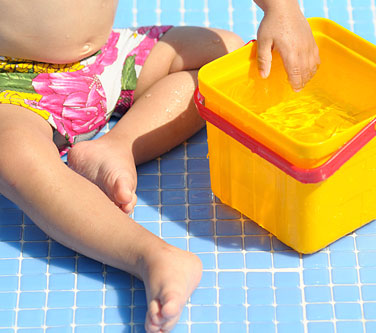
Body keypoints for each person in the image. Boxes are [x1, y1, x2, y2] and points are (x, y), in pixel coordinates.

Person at [0, 0, 319, 331]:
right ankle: (150, 255)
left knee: (226, 57)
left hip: (110, 57)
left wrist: (282, 10)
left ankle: (119, 145)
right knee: (12, 153)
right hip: (15, 83)